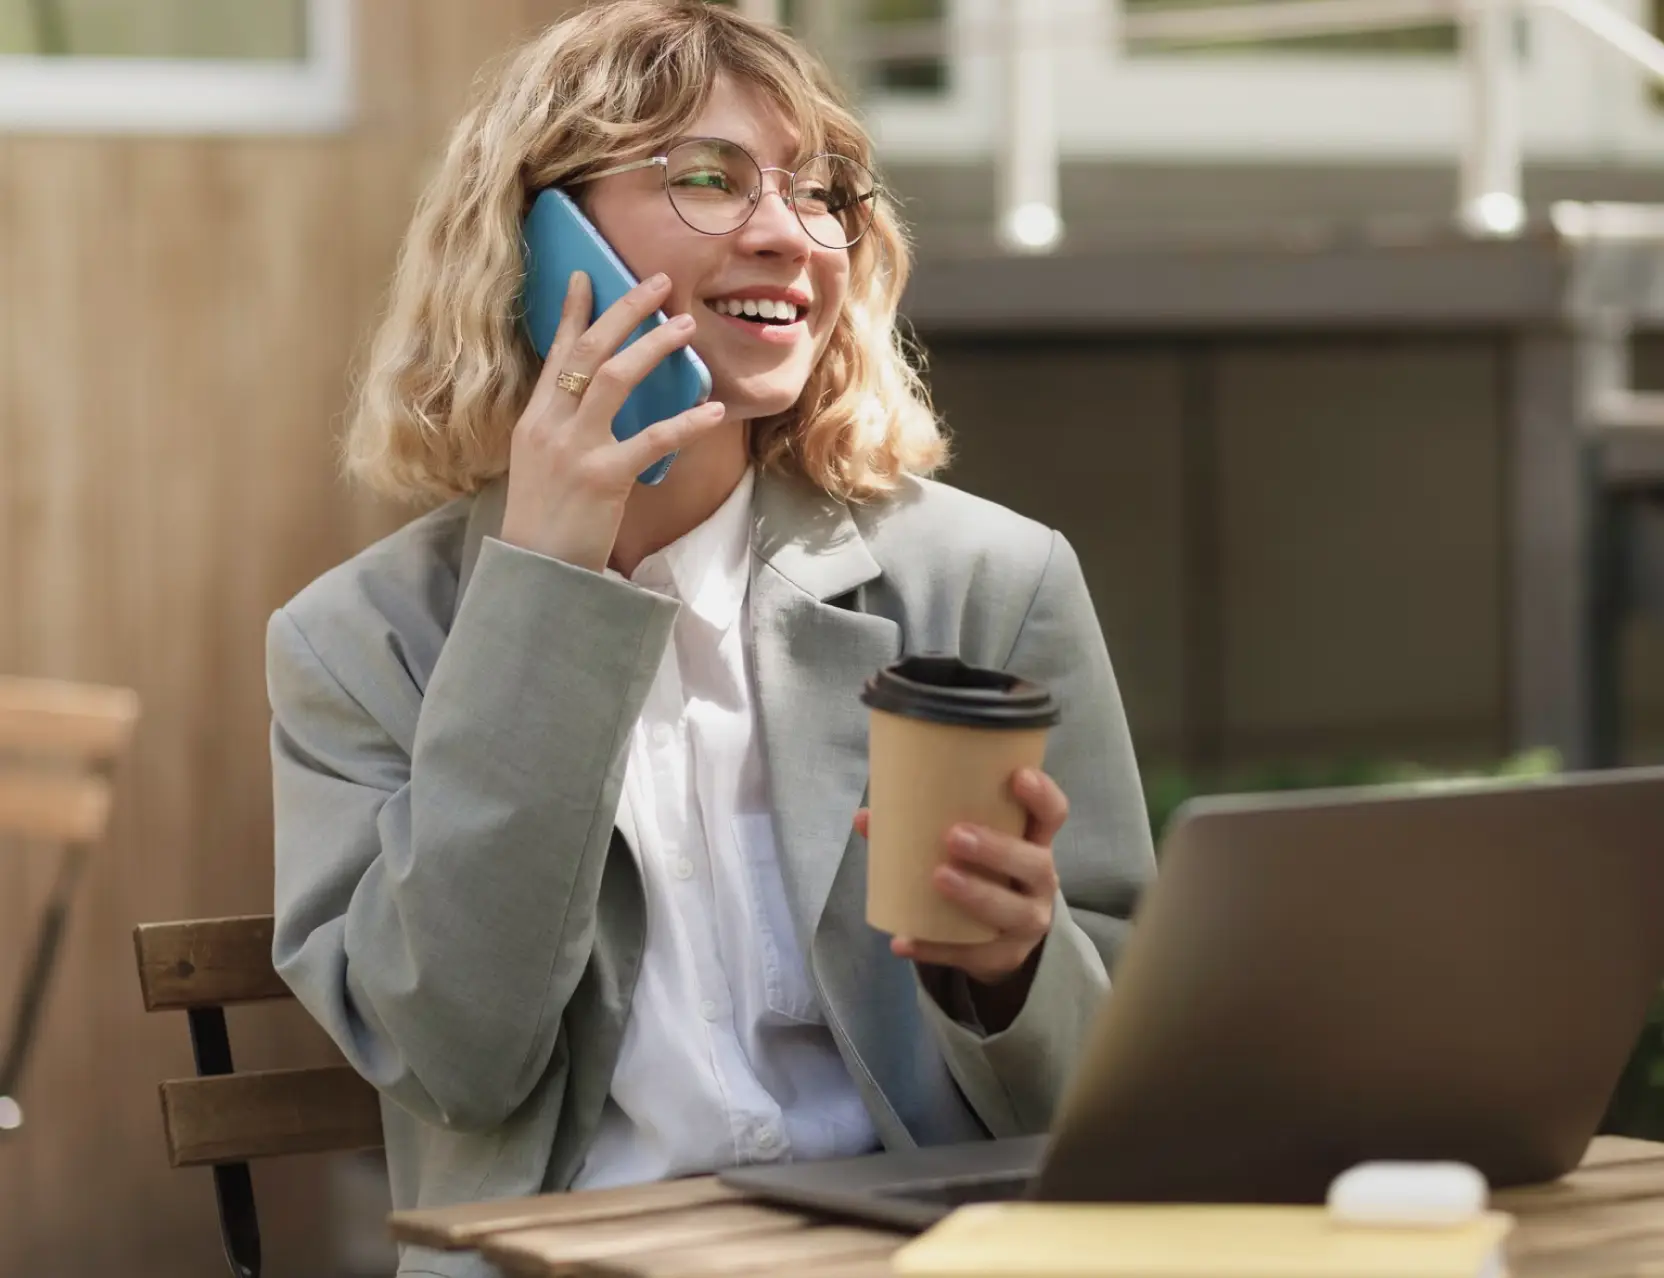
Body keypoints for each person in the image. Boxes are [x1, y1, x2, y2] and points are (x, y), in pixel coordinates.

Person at [267, 2, 1154, 1273]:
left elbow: (1115, 1084)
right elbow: (451, 1054)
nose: (787, 236)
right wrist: (545, 588)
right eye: (705, 180)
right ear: (534, 242)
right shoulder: (358, 645)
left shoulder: (987, 582)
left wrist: (1010, 976)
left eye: (817, 192)